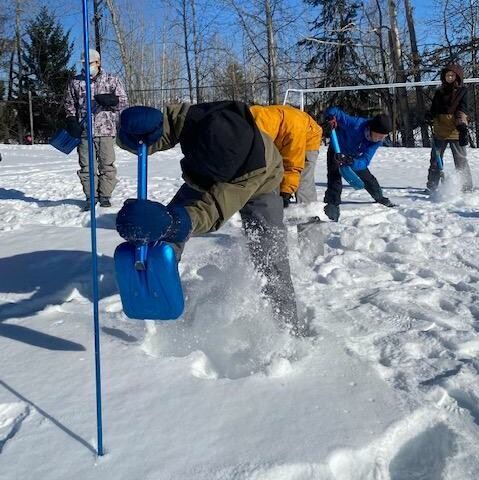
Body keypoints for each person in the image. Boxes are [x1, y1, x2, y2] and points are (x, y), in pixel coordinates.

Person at [115, 101, 306, 336]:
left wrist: (174, 222)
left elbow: (211, 209)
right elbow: (170, 125)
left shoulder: (250, 173)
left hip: (261, 181)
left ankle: (288, 330)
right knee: (165, 226)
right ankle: (157, 276)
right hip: (210, 167)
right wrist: (134, 134)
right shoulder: (201, 119)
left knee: (270, 256)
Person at [64, 49, 128, 211]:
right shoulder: (76, 82)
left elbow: (123, 102)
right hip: (85, 131)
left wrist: (112, 100)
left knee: (107, 165)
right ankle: (90, 196)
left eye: (89, 63)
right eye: (84, 64)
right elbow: (70, 104)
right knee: (86, 166)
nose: (86, 66)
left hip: (105, 130)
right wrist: (71, 119)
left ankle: (105, 195)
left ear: (98, 63)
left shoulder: (112, 79)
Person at [323, 107, 395, 222]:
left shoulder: (376, 142)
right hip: (336, 150)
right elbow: (334, 111)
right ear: (372, 129)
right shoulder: (355, 124)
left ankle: (379, 197)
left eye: (384, 137)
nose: (381, 139)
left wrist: (351, 161)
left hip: (353, 156)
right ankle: (332, 205)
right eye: (379, 135)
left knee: (368, 178)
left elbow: (365, 160)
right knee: (334, 178)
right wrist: (330, 117)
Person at [249, 104, 323, 208]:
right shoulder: (254, 118)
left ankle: (308, 214)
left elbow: (293, 165)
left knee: (303, 180)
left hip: (308, 139)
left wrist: (285, 193)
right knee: (274, 173)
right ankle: (273, 207)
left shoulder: (293, 129)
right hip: (282, 137)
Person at [425, 63, 473, 193]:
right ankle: (432, 186)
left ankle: (466, 188)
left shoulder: (463, 91)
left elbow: (462, 110)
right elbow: (434, 108)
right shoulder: (439, 92)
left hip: (456, 130)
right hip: (440, 129)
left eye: (452, 75)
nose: (449, 77)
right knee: (435, 159)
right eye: (447, 75)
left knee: (460, 160)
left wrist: (462, 127)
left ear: (457, 77)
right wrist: (429, 115)